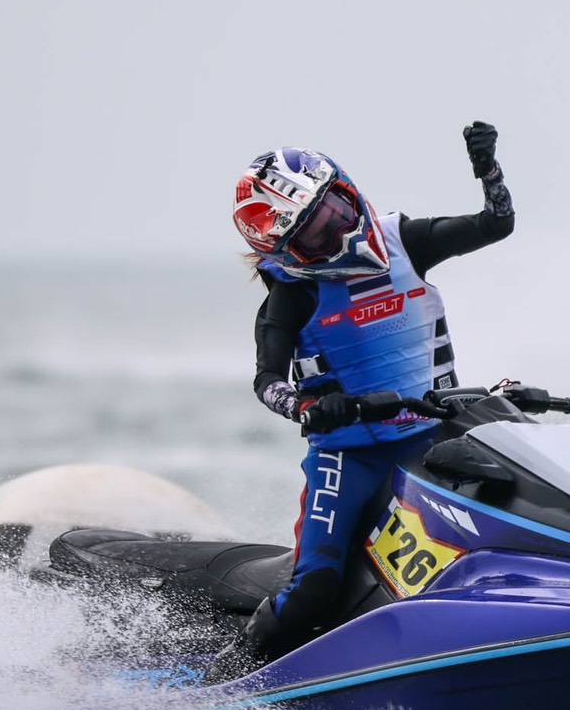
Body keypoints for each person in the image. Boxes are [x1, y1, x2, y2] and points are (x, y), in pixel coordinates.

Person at [212, 122, 517, 678]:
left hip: (438, 431)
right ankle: (225, 681)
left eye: (335, 211)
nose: (337, 232)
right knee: (314, 589)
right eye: (316, 235)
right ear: (288, 250)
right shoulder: (292, 294)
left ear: (347, 191)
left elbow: (497, 223)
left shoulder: (407, 241)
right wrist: (308, 408)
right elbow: (267, 382)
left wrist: (488, 170)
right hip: (349, 454)